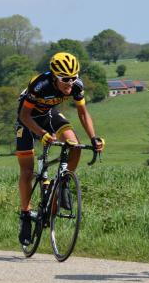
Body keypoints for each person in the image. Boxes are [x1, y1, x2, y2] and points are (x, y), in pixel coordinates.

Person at [16, 52, 104, 246]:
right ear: (55, 77)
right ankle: (25, 214)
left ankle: (63, 181)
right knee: (28, 171)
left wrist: (94, 137)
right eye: (65, 79)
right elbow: (24, 115)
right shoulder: (40, 85)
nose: (70, 83)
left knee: (75, 145)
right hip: (27, 120)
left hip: (49, 115)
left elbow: (83, 113)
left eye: (74, 77)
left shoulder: (76, 86)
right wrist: (41, 134)